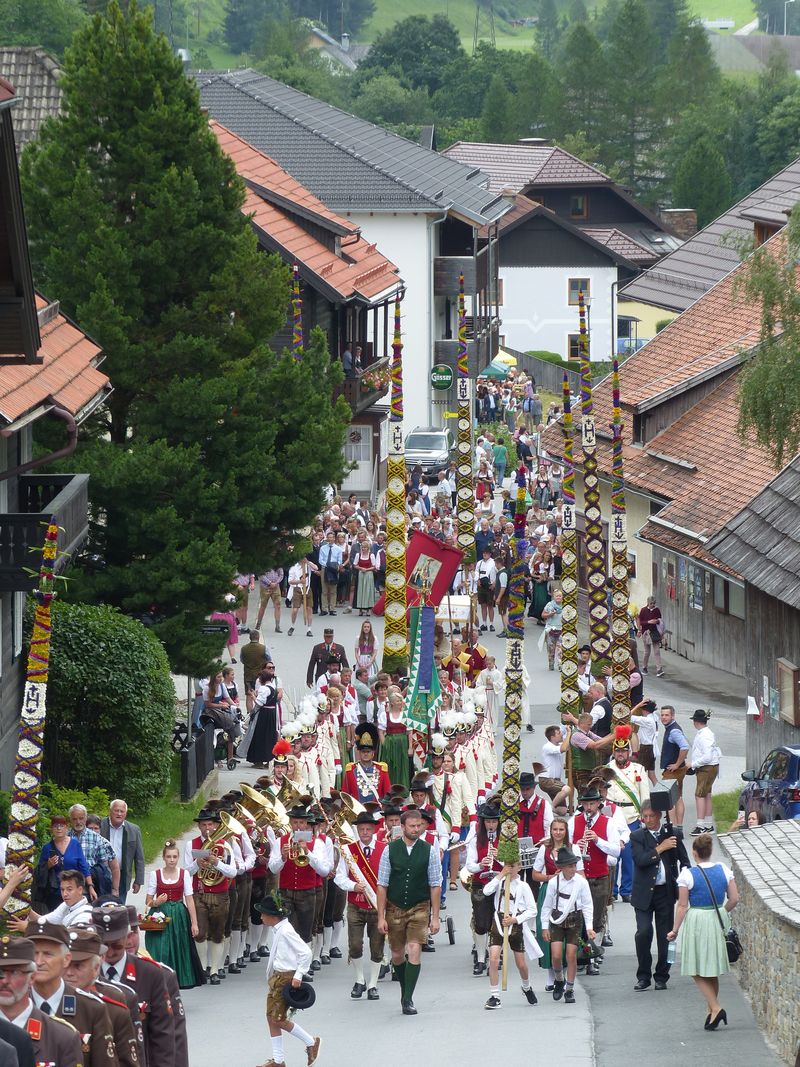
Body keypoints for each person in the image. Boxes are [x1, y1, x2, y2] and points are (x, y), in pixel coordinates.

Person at [667, 834, 739, 1029]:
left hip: (698, 920)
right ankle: (711, 1011)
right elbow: (734, 898)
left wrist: (674, 929)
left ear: (694, 852)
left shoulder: (687, 875)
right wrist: (722, 911)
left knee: (695, 967)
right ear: (710, 851)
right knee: (711, 968)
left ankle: (715, 1007)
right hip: (717, 918)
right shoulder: (723, 870)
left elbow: (682, 906)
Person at [376, 808, 442, 1016]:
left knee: (414, 948)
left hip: (420, 906)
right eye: (412, 826)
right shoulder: (390, 850)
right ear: (402, 827)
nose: (416, 830)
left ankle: (408, 998)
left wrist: (436, 917)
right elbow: (382, 885)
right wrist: (380, 917)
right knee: (397, 954)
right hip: (394, 907)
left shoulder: (429, 850)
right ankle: (405, 990)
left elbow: (435, 884)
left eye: (419, 826)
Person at [27, 918, 117, 1067]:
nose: (39, 961)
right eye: (34, 953)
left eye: (48, 954)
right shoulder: (16, 1005)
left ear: (66, 959)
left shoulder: (91, 1009)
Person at [93, 904, 175, 1067]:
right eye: (104, 945)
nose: (109, 952)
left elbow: (162, 1038)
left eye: (116, 945)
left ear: (126, 936)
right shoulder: (86, 974)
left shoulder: (150, 974)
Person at [630, 800, 690, 992]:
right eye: (645, 816)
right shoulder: (637, 836)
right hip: (643, 894)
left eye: (651, 816)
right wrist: (660, 848)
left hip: (665, 892)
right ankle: (643, 976)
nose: (648, 820)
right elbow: (640, 860)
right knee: (644, 932)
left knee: (666, 936)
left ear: (659, 816)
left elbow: (684, 861)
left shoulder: (672, 835)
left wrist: (683, 883)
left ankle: (662, 975)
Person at [255, 893, 321, 1067]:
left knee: (277, 1019)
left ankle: (310, 1041)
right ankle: (278, 1060)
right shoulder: (279, 929)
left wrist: (298, 975)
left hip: (285, 977)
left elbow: (305, 953)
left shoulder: (286, 931)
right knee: (271, 1017)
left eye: (263, 914)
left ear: (273, 916)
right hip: (277, 976)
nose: (261, 917)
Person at [0, 936, 83, 1066]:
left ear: (32, 978)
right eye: (0, 972)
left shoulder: (61, 1036)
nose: (4, 980)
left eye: (14, 972)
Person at [64, 927, 140, 1067]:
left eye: (77, 966)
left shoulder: (114, 1007)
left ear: (96, 968)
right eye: (65, 965)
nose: (69, 973)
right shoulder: (45, 1003)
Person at [334, 810, 385, 1000]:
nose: (365, 832)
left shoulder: (384, 849)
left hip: (376, 905)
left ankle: (373, 984)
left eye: (368, 829)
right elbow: (339, 876)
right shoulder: (348, 850)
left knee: (377, 946)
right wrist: (353, 886)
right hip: (355, 904)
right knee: (355, 945)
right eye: (361, 829)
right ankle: (359, 980)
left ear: (373, 830)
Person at [569, 784, 620, 971]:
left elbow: (616, 850)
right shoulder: (574, 821)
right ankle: (582, 955)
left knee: (597, 917)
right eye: (585, 804)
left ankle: (593, 954)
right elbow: (565, 848)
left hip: (599, 876)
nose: (588, 808)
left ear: (599, 803)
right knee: (578, 916)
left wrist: (598, 841)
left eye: (592, 804)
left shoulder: (609, 823)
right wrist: (577, 846)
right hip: (578, 877)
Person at [183, 809, 237, 985]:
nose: (207, 828)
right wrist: (196, 864)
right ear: (199, 826)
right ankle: (203, 967)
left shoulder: (225, 845)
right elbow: (185, 873)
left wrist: (217, 863)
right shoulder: (191, 845)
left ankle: (214, 970)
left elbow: (233, 871)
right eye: (204, 825)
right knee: (199, 933)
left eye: (210, 825)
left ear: (215, 826)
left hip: (220, 894)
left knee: (217, 933)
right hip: (199, 893)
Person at [144, 840, 203, 989]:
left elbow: (189, 900)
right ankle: (159, 983)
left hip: (179, 916)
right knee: (160, 949)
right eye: (169, 857)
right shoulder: (155, 874)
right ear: (164, 858)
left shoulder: (184, 874)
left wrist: (194, 923)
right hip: (159, 915)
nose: (171, 860)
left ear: (178, 858)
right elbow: (148, 901)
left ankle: (176, 984)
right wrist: (157, 902)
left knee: (178, 948)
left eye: (174, 857)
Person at [482, 860, 541, 1010]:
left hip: (515, 923)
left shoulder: (523, 887)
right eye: (507, 865)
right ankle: (495, 996)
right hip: (499, 921)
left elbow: (532, 910)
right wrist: (500, 874)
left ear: (519, 868)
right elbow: (486, 891)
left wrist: (516, 919)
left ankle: (526, 987)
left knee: (521, 964)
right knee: (494, 959)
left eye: (513, 866)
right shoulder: (499, 882)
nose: (509, 868)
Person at [540, 847, 595, 1004]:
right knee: (556, 955)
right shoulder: (553, 883)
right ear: (561, 867)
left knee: (570, 955)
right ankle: (559, 979)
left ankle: (569, 989)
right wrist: (544, 926)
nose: (573, 869)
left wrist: (589, 927)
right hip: (557, 919)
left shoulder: (581, 883)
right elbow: (547, 906)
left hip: (575, 920)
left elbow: (587, 905)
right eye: (570, 866)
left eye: (574, 865)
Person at [605, 725, 650, 902]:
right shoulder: (607, 769)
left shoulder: (638, 769)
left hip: (631, 814)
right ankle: (612, 890)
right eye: (618, 751)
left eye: (624, 751)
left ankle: (627, 890)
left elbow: (644, 794)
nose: (621, 754)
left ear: (628, 752)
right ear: (614, 752)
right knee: (612, 854)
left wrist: (645, 815)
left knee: (629, 856)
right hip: (613, 815)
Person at [463, 804, 504, 977]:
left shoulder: (504, 839)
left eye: (494, 821)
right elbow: (470, 865)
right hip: (481, 884)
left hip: (500, 883)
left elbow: (512, 864)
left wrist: (499, 857)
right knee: (481, 923)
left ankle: (496, 958)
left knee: (498, 922)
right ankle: (481, 959)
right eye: (488, 822)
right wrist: (481, 865)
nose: (491, 825)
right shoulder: (476, 839)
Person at [34, 816, 90, 912]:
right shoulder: (47, 848)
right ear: (51, 829)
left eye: (61, 826)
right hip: (54, 893)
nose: (58, 828)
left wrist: (90, 886)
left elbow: (83, 867)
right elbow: (39, 872)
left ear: (66, 827)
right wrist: (48, 865)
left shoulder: (75, 844)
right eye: (55, 826)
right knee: (56, 921)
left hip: (73, 890)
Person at [10, 870, 93, 931]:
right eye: (62, 889)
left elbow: (65, 938)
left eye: (69, 889)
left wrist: (30, 928)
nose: (65, 894)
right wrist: (27, 909)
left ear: (80, 890)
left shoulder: (86, 914)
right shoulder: (66, 905)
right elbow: (44, 921)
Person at [67, 804, 119, 900]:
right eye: (74, 819)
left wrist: (113, 889)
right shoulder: (65, 837)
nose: (78, 822)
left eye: (81, 818)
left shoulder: (96, 838)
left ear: (85, 818)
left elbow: (104, 864)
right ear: (70, 819)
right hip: (68, 884)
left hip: (91, 884)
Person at [100, 800, 145, 904]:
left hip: (123, 875)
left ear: (126, 813)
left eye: (122, 811)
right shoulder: (101, 826)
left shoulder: (134, 830)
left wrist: (138, 880)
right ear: (110, 811)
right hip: (102, 873)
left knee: (119, 908)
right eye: (116, 811)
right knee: (101, 906)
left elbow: (139, 858)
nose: (119, 814)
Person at [686, 710, 721, 836]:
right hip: (708, 767)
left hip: (706, 767)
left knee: (699, 795)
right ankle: (708, 824)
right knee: (706, 794)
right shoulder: (705, 733)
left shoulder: (704, 735)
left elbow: (707, 757)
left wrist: (693, 764)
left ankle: (701, 825)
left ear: (695, 722)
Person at [240, 665, 281, 768]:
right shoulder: (273, 687)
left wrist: (253, 696)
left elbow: (259, 703)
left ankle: (258, 760)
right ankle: (269, 760)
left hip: (264, 714)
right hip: (272, 714)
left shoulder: (264, 688)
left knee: (259, 736)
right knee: (270, 736)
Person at [659, 706, 690, 828]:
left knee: (671, 799)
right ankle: (678, 826)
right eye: (662, 715)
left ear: (673, 716)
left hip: (673, 771)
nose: (664, 717)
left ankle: (672, 826)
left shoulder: (673, 731)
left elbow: (684, 747)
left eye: (666, 715)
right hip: (677, 769)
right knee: (677, 797)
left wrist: (677, 764)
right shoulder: (671, 728)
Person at [539, 726, 572, 811]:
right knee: (567, 789)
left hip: (556, 780)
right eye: (558, 733)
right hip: (546, 780)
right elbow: (564, 748)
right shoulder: (547, 746)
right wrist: (569, 733)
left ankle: (541, 808)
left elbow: (567, 744)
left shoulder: (559, 744)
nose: (561, 734)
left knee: (562, 811)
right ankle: (548, 809)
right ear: (552, 737)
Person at [240, 630, 271, 712]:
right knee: (261, 694)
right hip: (261, 676)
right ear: (258, 637)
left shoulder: (244, 648)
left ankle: (250, 715)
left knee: (249, 695)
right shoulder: (264, 648)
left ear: (250, 637)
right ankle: (259, 713)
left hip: (248, 675)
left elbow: (242, 660)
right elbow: (269, 660)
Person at [286, 557, 316, 638]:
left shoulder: (308, 565)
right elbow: (290, 581)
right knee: (295, 609)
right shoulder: (293, 568)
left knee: (309, 609)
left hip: (307, 589)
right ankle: (292, 626)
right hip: (298, 589)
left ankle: (309, 629)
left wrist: (308, 562)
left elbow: (316, 568)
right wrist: (299, 581)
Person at [638, 595, 664, 676]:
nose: (653, 605)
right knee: (647, 652)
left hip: (655, 632)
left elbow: (660, 620)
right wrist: (648, 622)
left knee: (657, 651)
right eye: (651, 603)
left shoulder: (657, 610)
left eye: (654, 603)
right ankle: (644, 667)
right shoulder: (643, 610)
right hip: (646, 633)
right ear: (648, 603)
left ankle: (659, 669)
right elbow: (640, 621)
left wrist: (656, 621)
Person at [255, 569, 284, 633]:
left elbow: (281, 574)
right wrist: (270, 583)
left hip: (276, 587)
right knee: (263, 605)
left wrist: (276, 583)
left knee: (278, 605)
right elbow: (260, 575)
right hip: (265, 587)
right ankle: (258, 624)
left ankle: (277, 626)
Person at [541, 588, 563, 671]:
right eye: (557, 596)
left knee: (560, 648)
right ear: (554, 597)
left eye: (560, 596)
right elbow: (543, 615)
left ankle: (560, 664)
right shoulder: (549, 605)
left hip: (561, 629)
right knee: (551, 649)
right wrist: (550, 614)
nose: (558, 597)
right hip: (551, 630)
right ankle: (551, 664)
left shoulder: (565, 605)